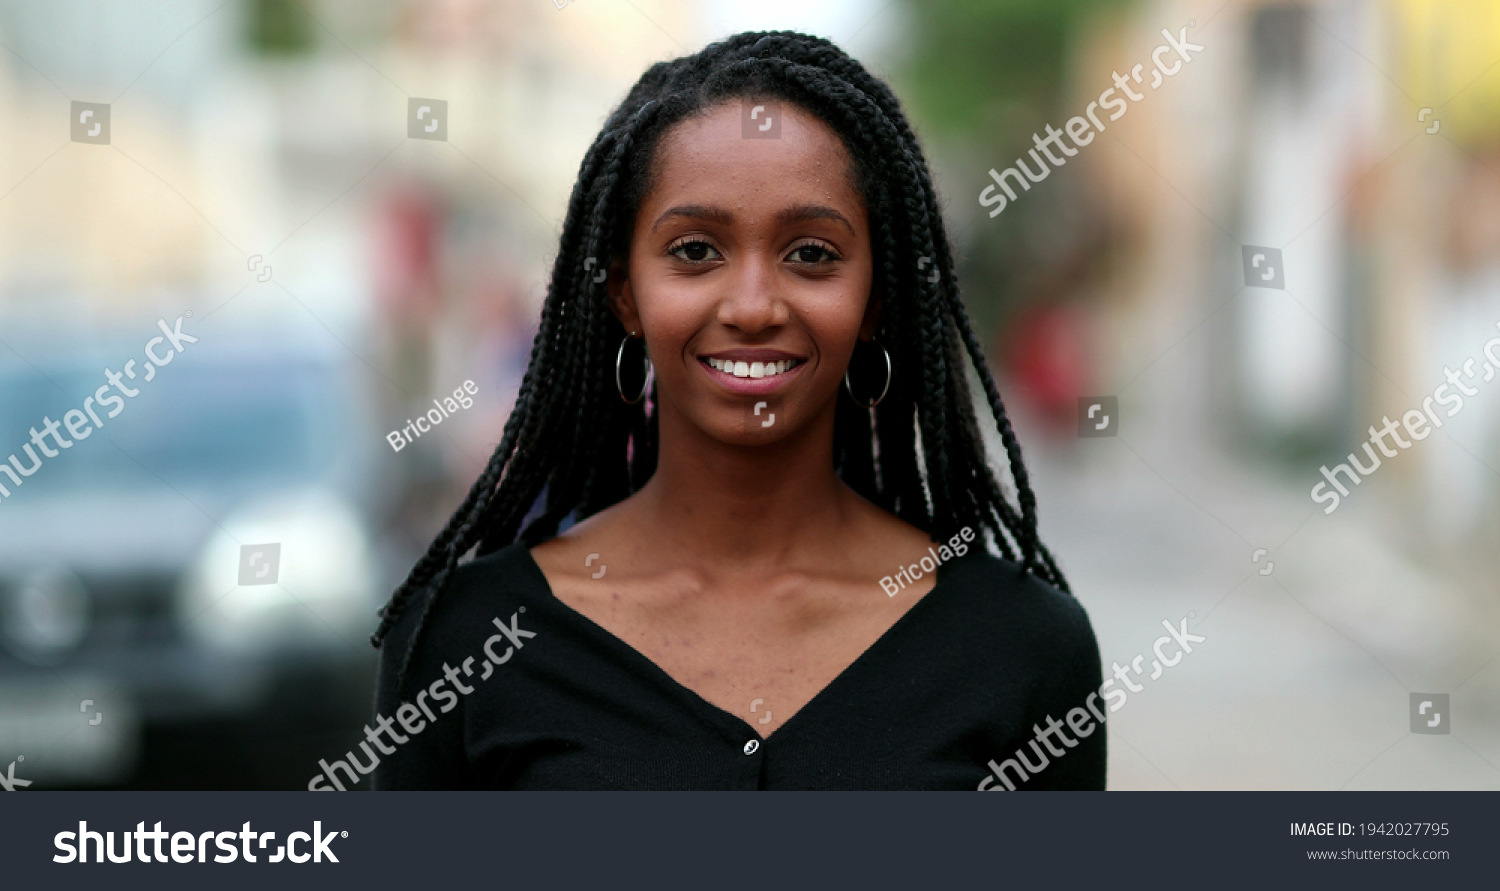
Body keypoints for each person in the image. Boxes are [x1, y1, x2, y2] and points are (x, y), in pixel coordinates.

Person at [369, 30, 1104, 790]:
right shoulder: (460, 643)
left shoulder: (1024, 649)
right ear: (624, 291)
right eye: (694, 250)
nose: (753, 306)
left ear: (878, 299)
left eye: (812, 253)